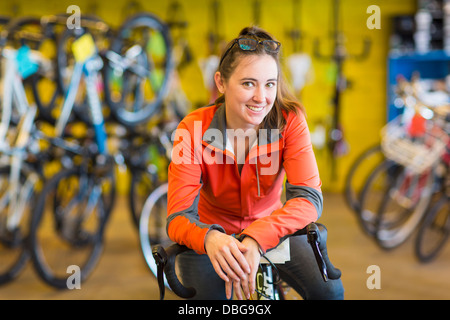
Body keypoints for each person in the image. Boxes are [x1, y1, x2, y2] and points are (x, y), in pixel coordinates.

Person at [166, 26, 344, 300]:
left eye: (270, 84)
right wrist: (210, 238)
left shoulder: (289, 121)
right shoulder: (192, 129)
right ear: (221, 83)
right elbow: (178, 217)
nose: (262, 97)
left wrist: (257, 238)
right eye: (248, 83)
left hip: (272, 227)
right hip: (210, 236)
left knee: (330, 292)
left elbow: (309, 198)